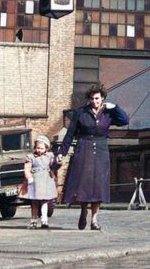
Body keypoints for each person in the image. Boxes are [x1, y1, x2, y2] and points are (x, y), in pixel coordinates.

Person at [57, 85, 129, 230]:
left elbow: (124, 120)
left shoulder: (108, 113)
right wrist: (61, 153)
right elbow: (70, 134)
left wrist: (115, 107)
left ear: (102, 98)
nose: (94, 101)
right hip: (84, 148)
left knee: (99, 187)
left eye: (97, 98)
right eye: (92, 98)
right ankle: (83, 211)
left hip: (101, 150)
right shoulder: (80, 113)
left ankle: (94, 220)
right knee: (85, 185)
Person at [24, 135, 58, 229]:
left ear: (46, 148)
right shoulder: (31, 157)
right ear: (35, 148)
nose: (39, 150)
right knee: (34, 202)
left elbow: (53, 166)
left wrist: (58, 162)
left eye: (42, 148)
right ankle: (34, 221)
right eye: (38, 148)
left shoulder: (49, 156)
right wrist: (29, 177)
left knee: (44, 202)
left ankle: (44, 220)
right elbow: (27, 168)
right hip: (35, 183)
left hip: (46, 182)